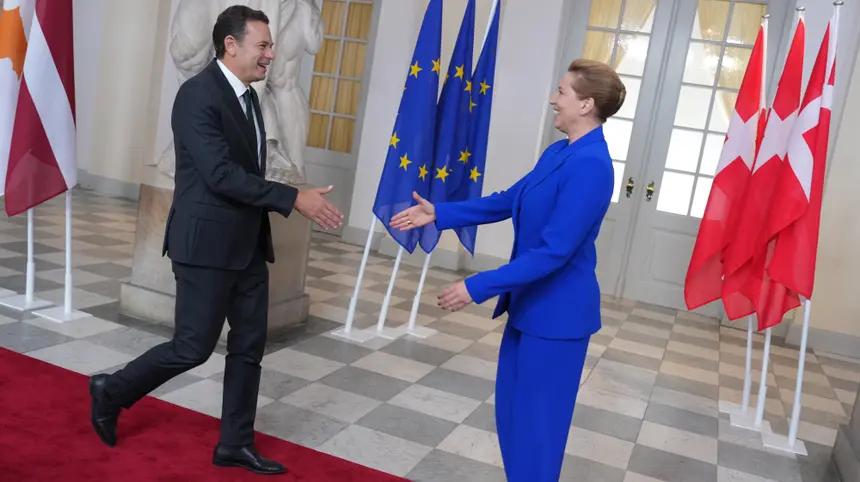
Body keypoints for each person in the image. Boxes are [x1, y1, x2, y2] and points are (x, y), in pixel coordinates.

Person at [87, 5, 343, 476]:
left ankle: (234, 444)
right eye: (262, 45)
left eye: (270, 45)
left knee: (249, 347)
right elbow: (222, 175)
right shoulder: (196, 96)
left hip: (247, 244)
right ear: (231, 44)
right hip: (204, 245)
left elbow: (248, 171)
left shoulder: (248, 97)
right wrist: (293, 198)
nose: (271, 54)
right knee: (192, 347)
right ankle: (112, 390)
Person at [390, 58, 625, 481]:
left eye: (563, 92)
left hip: (557, 320)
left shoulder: (591, 165)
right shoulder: (560, 152)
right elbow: (507, 199)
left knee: (538, 434)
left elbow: (554, 252)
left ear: (586, 104)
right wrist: (440, 212)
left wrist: (478, 285)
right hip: (529, 310)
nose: (554, 100)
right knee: (514, 422)